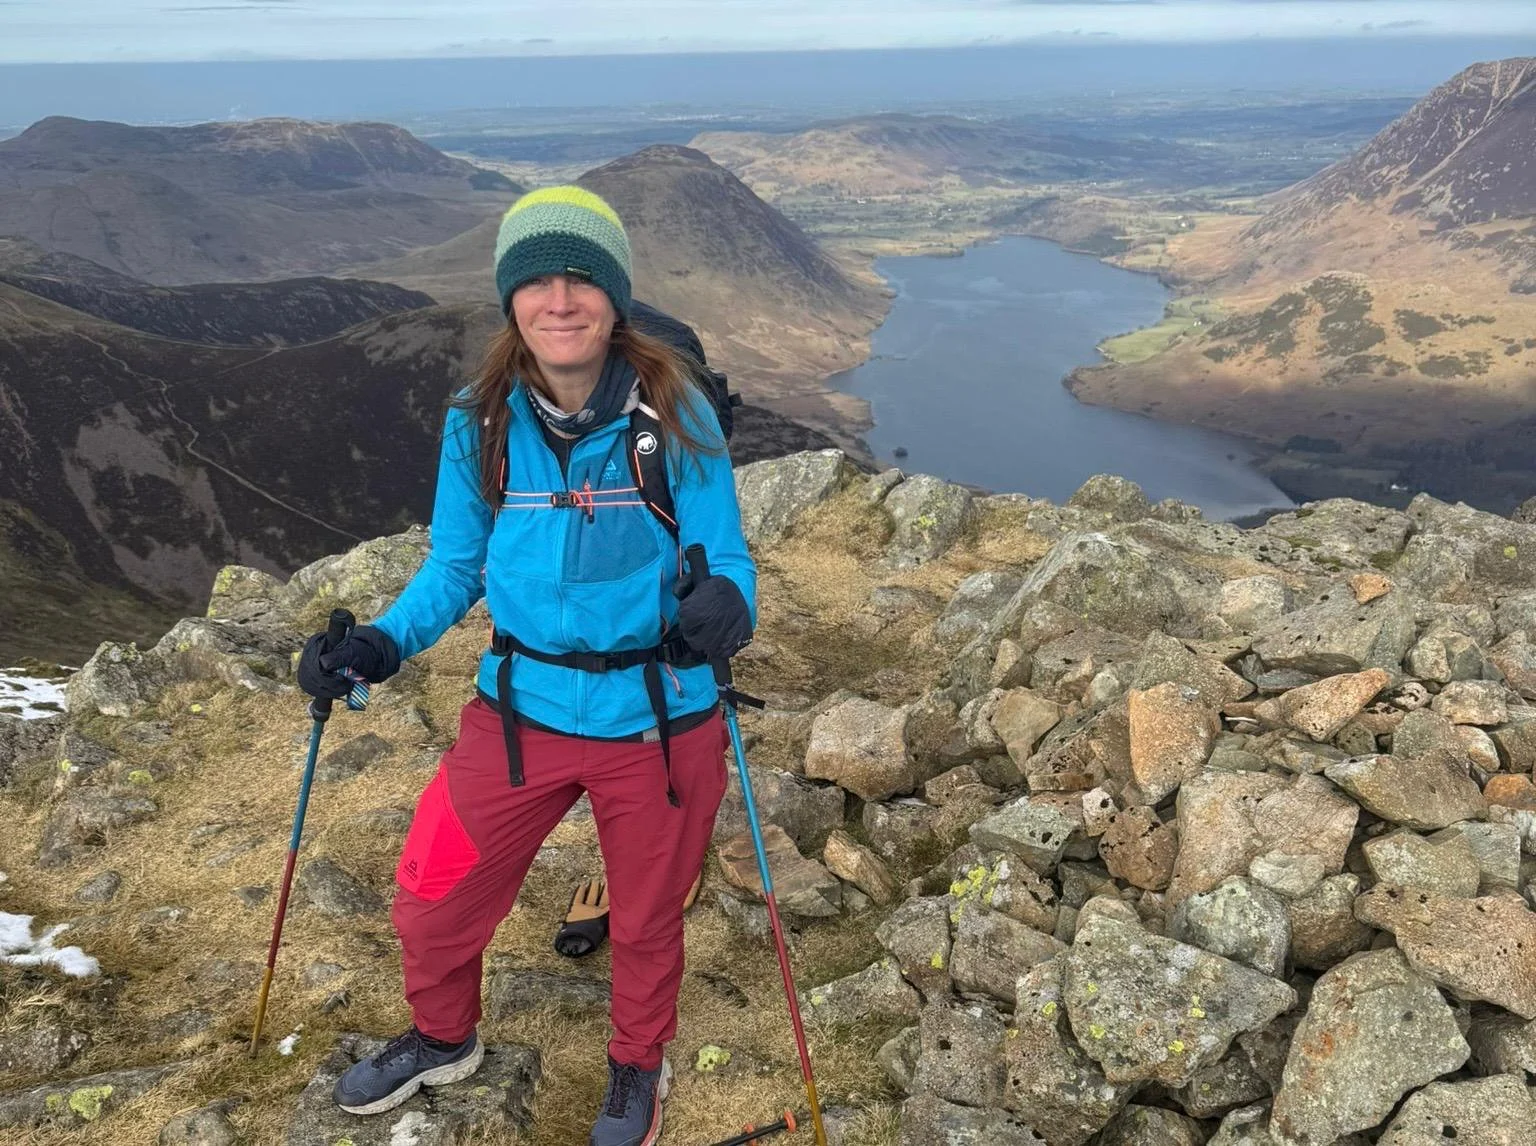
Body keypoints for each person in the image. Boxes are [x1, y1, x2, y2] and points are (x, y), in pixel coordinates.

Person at [297, 185, 756, 1146]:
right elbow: (455, 566)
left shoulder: (679, 415)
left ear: (613, 297)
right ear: (511, 301)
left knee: (642, 920)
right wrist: (379, 643)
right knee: (431, 897)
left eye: (580, 278)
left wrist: (727, 609)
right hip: (519, 712)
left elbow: (728, 560)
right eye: (536, 282)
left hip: (658, 717)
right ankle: (442, 1038)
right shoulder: (482, 423)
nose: (559, 300)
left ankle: (636, 1067)